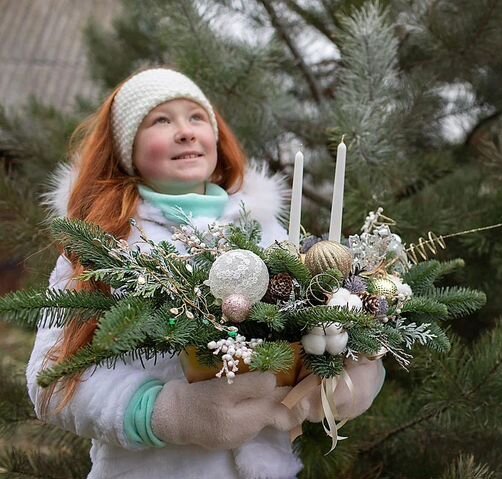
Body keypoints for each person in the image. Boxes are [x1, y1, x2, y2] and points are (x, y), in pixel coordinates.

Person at [26, 67, 385, 479]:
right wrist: (170, 414)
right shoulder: (105, 243)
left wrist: (352, 375)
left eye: (197, 117)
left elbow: (318, 329)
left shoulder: (271, 234)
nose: (185, 131)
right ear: (127, 149)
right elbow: (49, 383)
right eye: (161, 120)